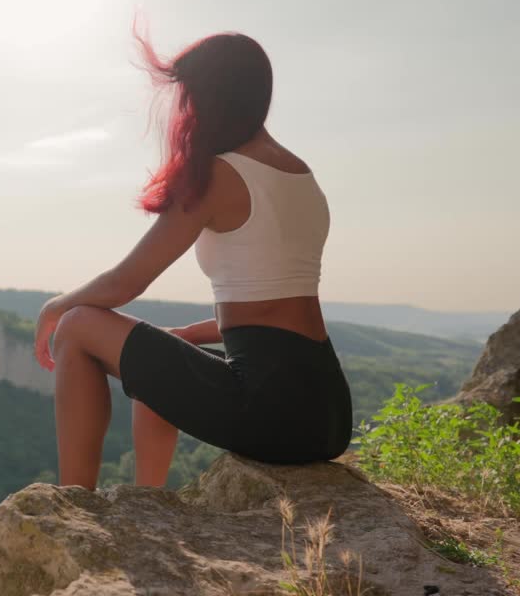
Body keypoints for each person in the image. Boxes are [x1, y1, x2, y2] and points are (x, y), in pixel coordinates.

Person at [33, 30, 353, 490]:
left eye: (187, 96)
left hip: (271, 410)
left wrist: (55, 306)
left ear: (208, 97)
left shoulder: (222, 174)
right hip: (326, 411)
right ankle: (148, 497)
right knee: (160, 348)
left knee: (78, 324)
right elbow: (272, 307)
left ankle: (72, 501)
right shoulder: (299, 173)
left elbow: (125, 282)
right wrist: (184, 335)